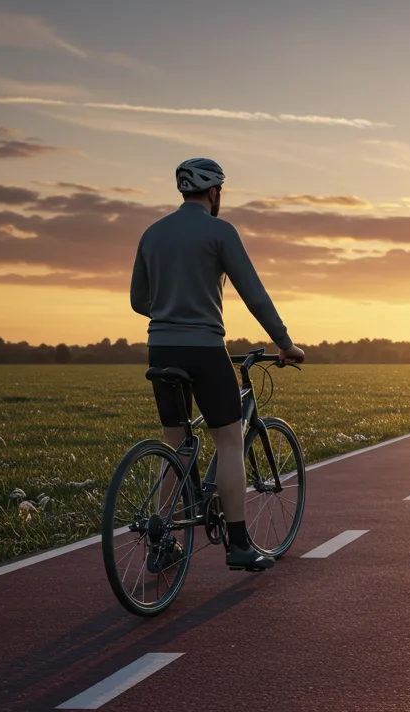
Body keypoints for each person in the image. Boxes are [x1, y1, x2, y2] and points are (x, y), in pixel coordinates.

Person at [130, 158, 305, 571]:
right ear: (214, 193)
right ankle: (240, 544)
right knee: (228, 441)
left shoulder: (152, 234)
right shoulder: (220, 232)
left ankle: (162, 542)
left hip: (161, 348)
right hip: (205, 348)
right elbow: (254, 294)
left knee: (174, 442)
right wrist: (285, 343)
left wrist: (171, 307)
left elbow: (139, 301)